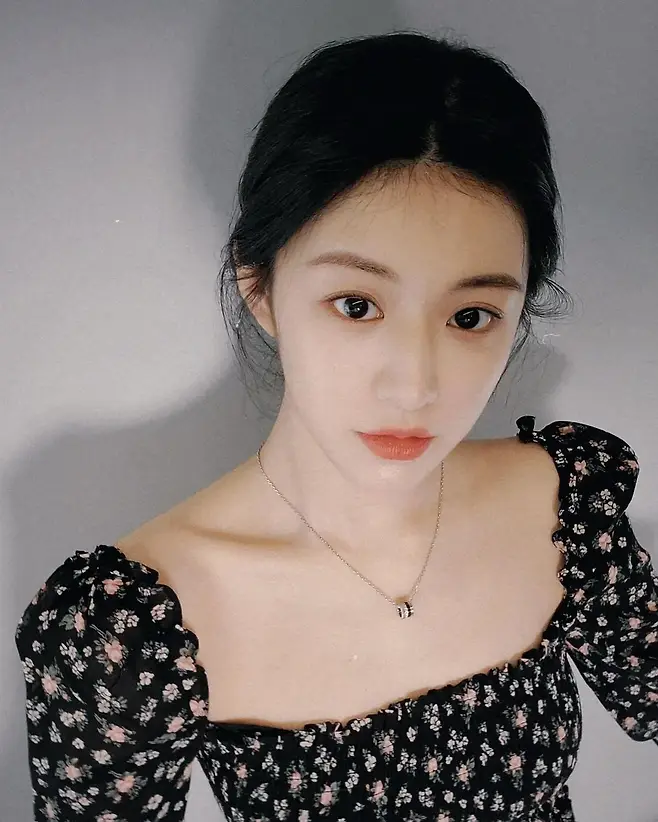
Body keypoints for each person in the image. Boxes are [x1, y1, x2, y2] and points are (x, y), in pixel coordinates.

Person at [15, 30, 657, 822]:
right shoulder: (133, 631)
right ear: (260, 288)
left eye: (471, 316)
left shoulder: (568, 503)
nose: (415, 386)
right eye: (357, 305)